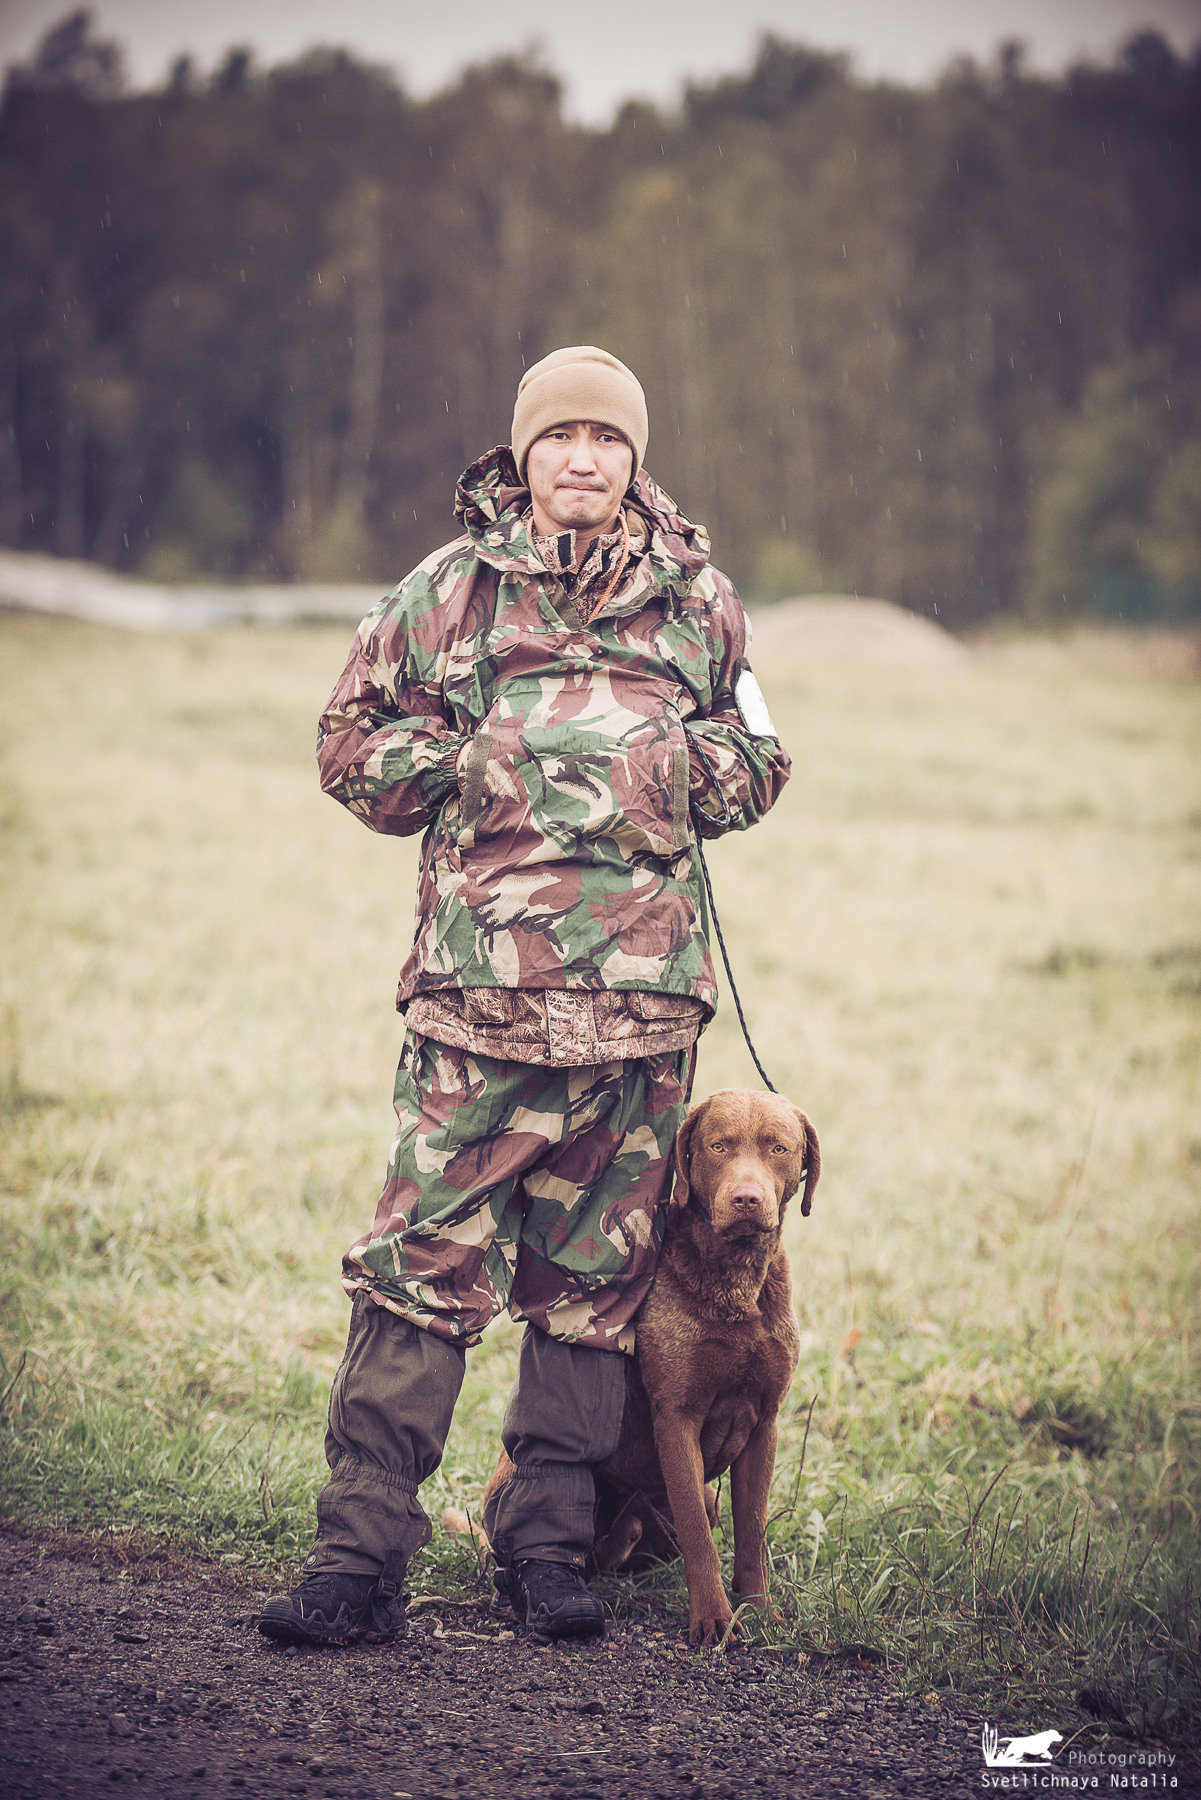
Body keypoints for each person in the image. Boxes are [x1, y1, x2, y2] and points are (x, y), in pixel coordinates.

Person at [258, 345, 790, 1648]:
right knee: (417, 1279)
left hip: (635, 1025)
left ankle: (544, 1554)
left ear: (632, 458)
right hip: (476, 1014)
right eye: (559, 437)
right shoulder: (445, 595)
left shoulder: (697, 605)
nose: (581, 459)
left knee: (591, 1299)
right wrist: (473, 765)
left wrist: (658, 769)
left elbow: (756, 757)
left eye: (605, 440)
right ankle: (356, 1564)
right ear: (522, 452)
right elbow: (348, 746)